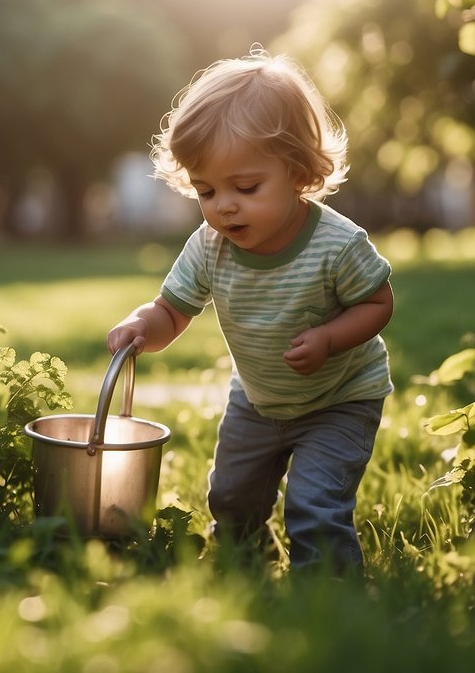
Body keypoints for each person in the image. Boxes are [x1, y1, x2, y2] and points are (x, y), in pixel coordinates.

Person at [107, 47, 394, 574]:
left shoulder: (336, 244)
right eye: (206, 190)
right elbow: (172, 311)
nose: (223, 206)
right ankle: (245, 564)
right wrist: (141, 327)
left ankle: (328, 596)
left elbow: (378, 303)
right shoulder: (209, 246)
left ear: (299, 172)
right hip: (257, 402)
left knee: (313, 504)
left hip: (339, 400)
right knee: (232, 500)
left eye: (245, 187)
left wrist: (330, 338)